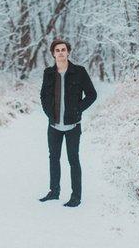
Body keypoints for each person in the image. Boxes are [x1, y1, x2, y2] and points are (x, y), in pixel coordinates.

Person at [39, 39, 97, 207]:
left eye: (63, 49)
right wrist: (48, 113)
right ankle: (54, 192)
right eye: (57, 50)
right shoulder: (48, 73)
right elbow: (43, 96)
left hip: (73, 125)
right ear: (53, 53)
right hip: (54, 125)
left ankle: (76, 196)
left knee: (73, 159)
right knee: (54, 158)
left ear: (68, 52)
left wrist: (78, 110)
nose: (61, 52)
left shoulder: (79, 72)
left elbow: (92, 95)